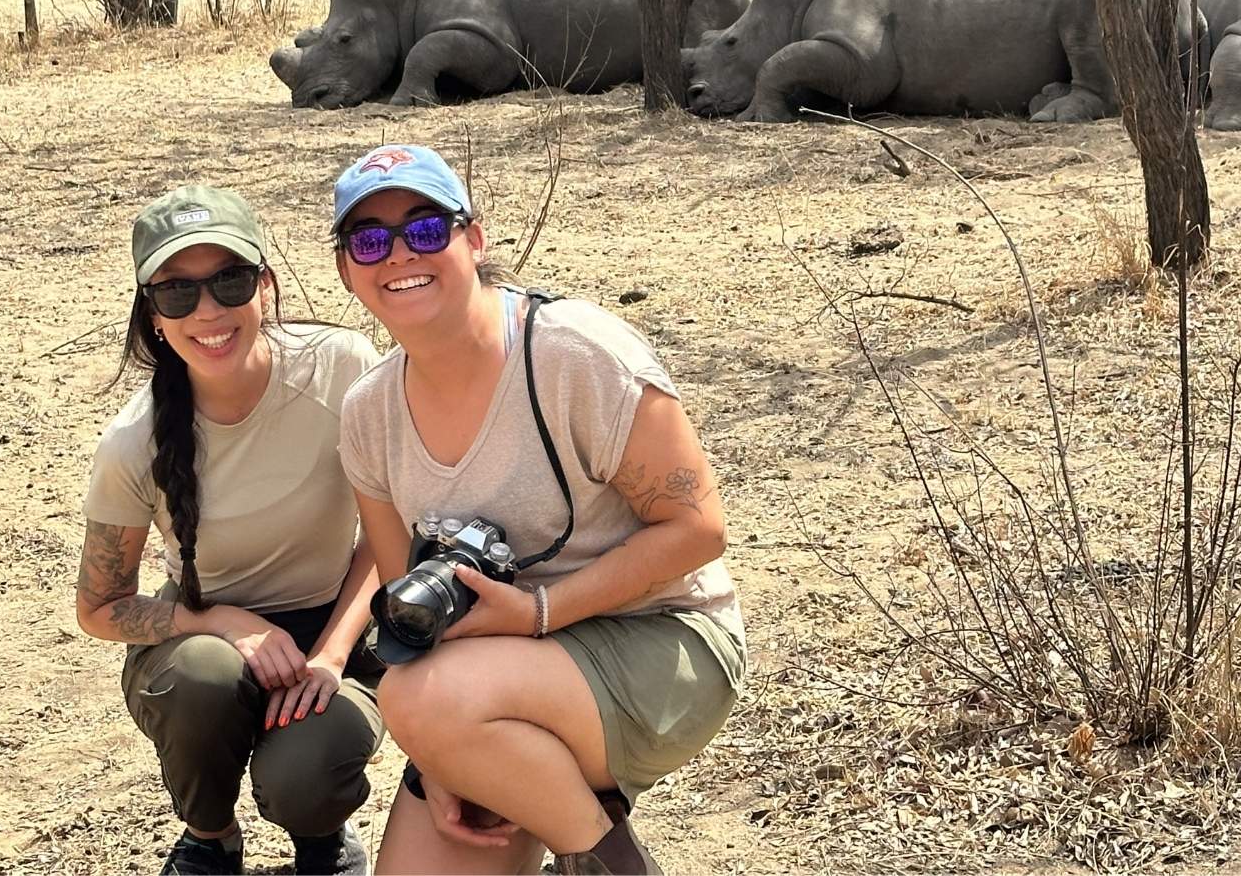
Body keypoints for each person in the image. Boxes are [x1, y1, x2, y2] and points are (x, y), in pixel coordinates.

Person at [331, 144, 745, 876]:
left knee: (417, 697)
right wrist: (450, 760)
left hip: (662, 643)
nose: (398, 255)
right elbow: (414, 617)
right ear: (346, 269)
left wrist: (537, 615)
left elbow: (698, 528)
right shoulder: (367, 413)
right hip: (487, 687)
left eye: (425, 229)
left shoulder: (576, 354)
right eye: (369, 240)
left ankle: (606, 861)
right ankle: (564, 800)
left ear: (475, 238)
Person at [75, 185, 385, 876]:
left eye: (230, 280)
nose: (208, 311)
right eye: (177, 293)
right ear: (153, 316)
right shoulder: (133, 443)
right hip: (206, 638)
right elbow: (99, 609)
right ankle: (210, 838)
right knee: (201, 682)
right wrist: (223, 624)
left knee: (310, 766)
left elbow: (389, 535)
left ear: (266, 288)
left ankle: (322, 836)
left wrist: (332, 655)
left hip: (334, 623)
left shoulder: (343, 368)